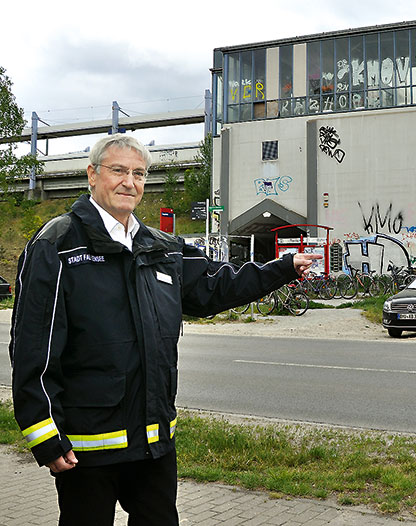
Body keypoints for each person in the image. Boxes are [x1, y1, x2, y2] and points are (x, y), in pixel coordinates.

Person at [8, 134, 321, 525]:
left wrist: (282, 269)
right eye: (118, 171)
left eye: (138, 173)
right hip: (86, 448)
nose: (129, 182)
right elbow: (34, 348)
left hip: (153, 442)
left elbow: (215, 286)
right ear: (92, 175)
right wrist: (44, 435)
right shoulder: (56, 246)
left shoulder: (162, 247)